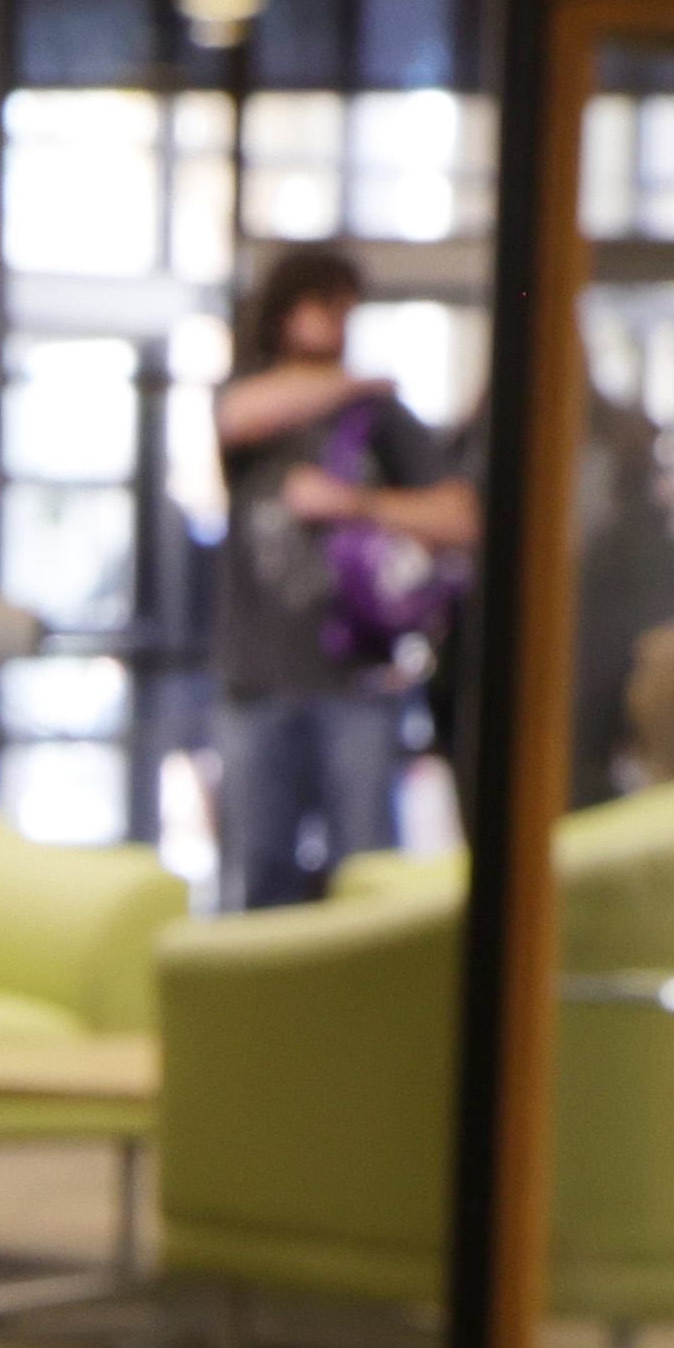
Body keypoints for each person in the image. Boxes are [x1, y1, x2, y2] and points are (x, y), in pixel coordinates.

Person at [207, 243, 471, 910]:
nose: (337, 320)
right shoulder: (258, 401)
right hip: (258, 682)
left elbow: (459, 517)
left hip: (357, 682)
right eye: (324, 304)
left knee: (365, 872)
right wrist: (355, 384)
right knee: (257, 874)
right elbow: (237, 415)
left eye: (346, 308)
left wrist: (354, 503)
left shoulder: (379, 420)